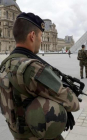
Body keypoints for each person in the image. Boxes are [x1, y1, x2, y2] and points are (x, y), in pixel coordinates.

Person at [0, 12, 80, 140]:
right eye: (40, 35)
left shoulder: (6, 64)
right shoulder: (32, 69)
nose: (41, 40)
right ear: (32, 36)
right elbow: (73, 103)